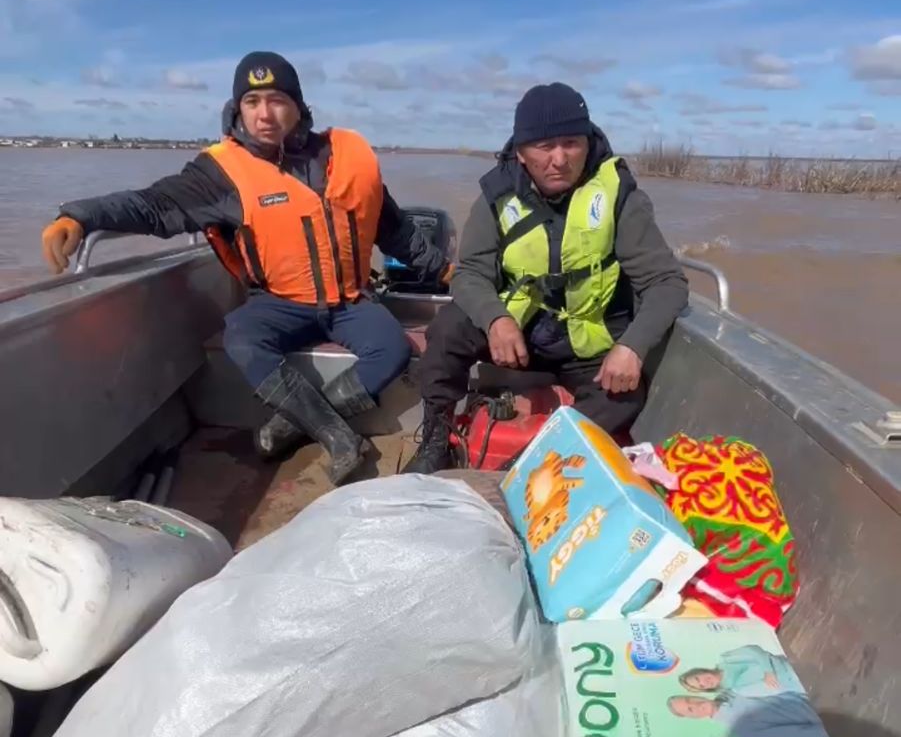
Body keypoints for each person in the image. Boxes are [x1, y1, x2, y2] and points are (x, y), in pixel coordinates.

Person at [41, 51, 448, 485]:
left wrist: (443, 270)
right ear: (238, 110)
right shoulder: (220, 172)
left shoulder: (348, 155)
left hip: (350, 300)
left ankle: (292, 425)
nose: (265, 114)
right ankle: (337, 436)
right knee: (242, 336)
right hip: (280, 302)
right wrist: (80, 216)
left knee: (393, 347)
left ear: (298, 106)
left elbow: (394, 229)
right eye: (252, 103)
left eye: (276, 100)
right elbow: (154, 205)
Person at [404, 81, 689, 473]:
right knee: (448, 328)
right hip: (516, 338)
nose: (559, 159)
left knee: (625, 396)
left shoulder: (619, 193)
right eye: (544, 146)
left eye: (571, 143)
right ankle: (436, 439)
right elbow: (470, 273)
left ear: (587, 143)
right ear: (521, 153)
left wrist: (633, 348)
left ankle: (530, 465)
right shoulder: (496, 194)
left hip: (586, 348)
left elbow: (666, 282)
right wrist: (496, 319)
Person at [667, 689, 830, 737]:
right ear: (694, 718)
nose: (695, 704)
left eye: (689, 699)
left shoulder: (730, 689)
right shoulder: (744, 728)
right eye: (690, 709)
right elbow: (806, 736)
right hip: (829, 709)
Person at [679, 645, 805, 698]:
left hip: (793, 663)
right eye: (701, 686)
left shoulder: (727, 660)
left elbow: (755, 650)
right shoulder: (737, 691)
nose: (704, 682)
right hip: (799, 685)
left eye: (698, 678)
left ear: (699, 671)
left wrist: (768, 671)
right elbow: (775, 691)